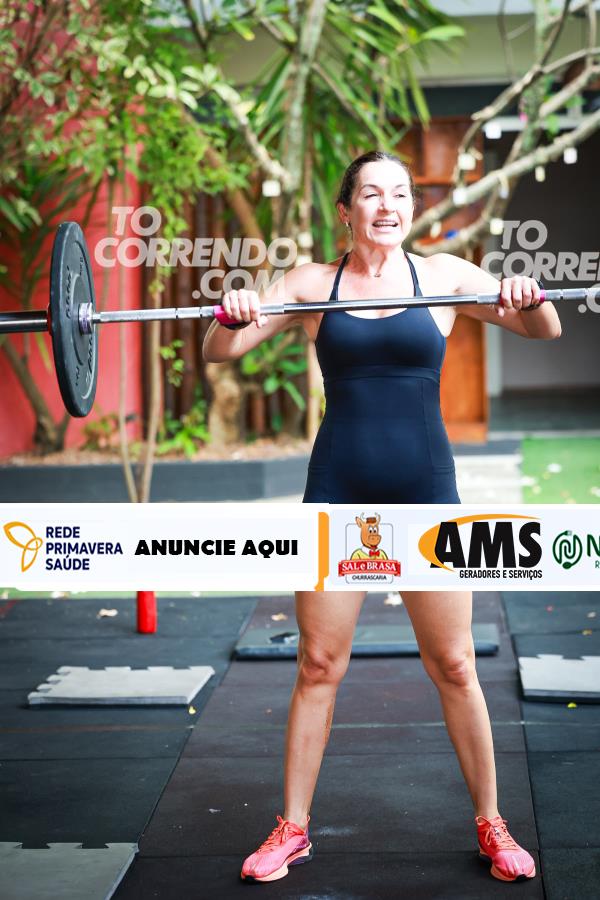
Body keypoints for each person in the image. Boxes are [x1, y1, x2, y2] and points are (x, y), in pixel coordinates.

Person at [202, 150, 561, 885]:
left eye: (399, 192)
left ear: (411, 207)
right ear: (347, 209)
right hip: (339, 490)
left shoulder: (446, 276)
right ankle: (293, 829)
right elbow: (220, 350)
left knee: (454, 664)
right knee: (318, 664)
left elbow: (544, 330)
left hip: (427, 494)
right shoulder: (311, 285)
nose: (387, 204)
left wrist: (527, 296)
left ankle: (492, 823)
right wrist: (232, 312)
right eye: (371, 193)